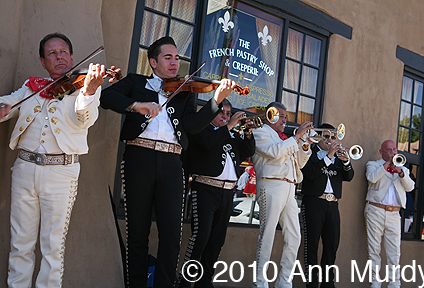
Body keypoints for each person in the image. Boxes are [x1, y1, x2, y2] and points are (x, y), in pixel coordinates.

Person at [99, 36, 234, 287]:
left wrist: (215, 101)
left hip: (173, 163)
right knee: (137, 233)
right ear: (153, 62)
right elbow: (106, 98)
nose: (175, 63)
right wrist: (137, 105)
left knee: (171, 234)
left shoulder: (184, 91)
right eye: (168, 57)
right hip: (138, 158)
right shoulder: (136, 82)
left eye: (177, 58)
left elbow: (193, 127)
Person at [0, 33, 107, 287]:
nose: (59, 57)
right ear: (43, 61)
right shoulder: (31, 87)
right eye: (52, 54)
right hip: (25, 168)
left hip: (61, 172)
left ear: (71, 56)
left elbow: (85, 118)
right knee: (20, 243)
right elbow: (10, 103)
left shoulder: (84, 87)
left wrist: (90, 90)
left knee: (52, 246)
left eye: (63, 52)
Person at [178, 99, 255, 287]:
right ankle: (185, 281)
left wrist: (248, 133)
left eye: (228, 113)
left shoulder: (231, 134)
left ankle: (204, 281)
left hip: (227, 193)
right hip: (205, 188)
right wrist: (229, 126)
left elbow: (247, 152)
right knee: (201, 236)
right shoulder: (200, 130)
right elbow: (206, 144)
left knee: (217, 240)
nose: (225, 116)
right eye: (221, 112)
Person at [251, 102, 313, 288]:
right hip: (270, 185)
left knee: (295, 236)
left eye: (286, 116)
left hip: (290, 188)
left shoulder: (285, 138)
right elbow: (275, 152)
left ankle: (284, 282)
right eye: (281, 115)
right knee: (267, 235)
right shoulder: (260, 132)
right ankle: (260, 283)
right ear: (270, 115)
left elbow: (299, 164)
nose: (285, 119)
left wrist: (303, 146)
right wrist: (296, 138)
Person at [300, 123, 354, 288]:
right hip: (314, 202)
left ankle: (327, 283)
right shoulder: (310, 152)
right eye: (326, 136)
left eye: (333, 137)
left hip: (332, 205)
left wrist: (345, 162)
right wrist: (329, 156)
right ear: (318, 138)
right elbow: (308, 174)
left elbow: (349, 176)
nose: (330, 140)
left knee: (331, 245)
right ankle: (312, 283)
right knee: (312, 245)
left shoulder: (338, 156)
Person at [365, 140, 415, 288]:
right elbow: (372, 178)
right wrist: (387, 164)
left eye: (395, 149)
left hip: (394, 214)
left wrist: (400, 171)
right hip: (375, 210)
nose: (393, 152)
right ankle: (375, 282)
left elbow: (410, 187)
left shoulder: (403, 169)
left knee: (394, 252)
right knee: (374, 249)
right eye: (389, 150)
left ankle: (394, 284)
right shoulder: (373, 165)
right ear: (382, 152)